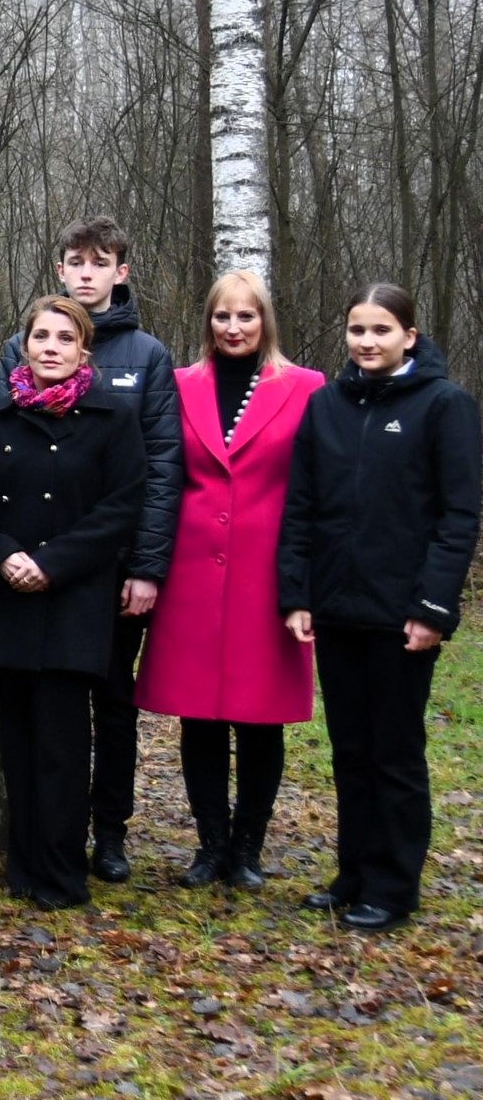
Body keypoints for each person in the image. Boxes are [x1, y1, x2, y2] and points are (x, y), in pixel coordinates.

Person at [279, 283, 480, 932]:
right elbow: (301, 507)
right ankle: (354, 873)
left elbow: (458, 516)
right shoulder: (325, 406)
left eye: (380, 330)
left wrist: (432, 606)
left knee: (394, 751)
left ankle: (393, 886)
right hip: (337, 607)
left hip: (402, 615)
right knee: (349, 749)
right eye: (357, 330)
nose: (366, 341)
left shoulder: (443, 405)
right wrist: (297, 593)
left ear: (408, 336)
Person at [0, 216, 179, 882]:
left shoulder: (147, 356)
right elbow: (2, 455)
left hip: (112, 568)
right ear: (61, 269)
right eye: (77, 261)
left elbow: (160, 468)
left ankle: (110, 831)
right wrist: (12, 555)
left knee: (112, 703)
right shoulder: (18, 349)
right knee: (40, 709)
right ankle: (37, 839)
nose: (87, 273)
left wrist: (147, 566)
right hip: (29, 570)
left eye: (100, 262)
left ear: (120, 272)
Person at [135, 271, 323, 890]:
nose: (234, 328)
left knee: (260, 716)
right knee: (200, 717)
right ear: (208, 322)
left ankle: (248, 849)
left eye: (246, 316)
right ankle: (210, 844)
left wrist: (306, 581)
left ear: (265, 321)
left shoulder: (306, 388)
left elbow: (317, 490)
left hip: (268, 576)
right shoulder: (179, 384)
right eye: (223, 316)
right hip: (191, 573)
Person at [0, 297, 146, 910]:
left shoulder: (112, 418)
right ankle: (24, 865)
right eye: (41, 336)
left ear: (83, 350)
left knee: (63, 746)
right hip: (9, 597)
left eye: (65, 338)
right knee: (17, 742)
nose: (51, 347)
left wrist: (53, 563)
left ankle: (62, 873)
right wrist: (3, 556)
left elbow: (120, 507)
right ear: (25, 345)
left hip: (74, 600)